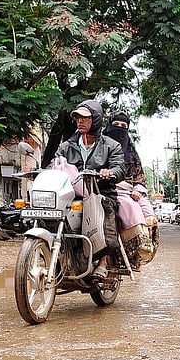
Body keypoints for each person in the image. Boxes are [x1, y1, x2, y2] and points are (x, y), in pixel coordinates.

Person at [54, 100, 126, 280]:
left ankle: (103, 262)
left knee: (104, 210)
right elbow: (55, 164)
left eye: (85, 118)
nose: (80, 121)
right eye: (78, 117)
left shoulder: (111, 145)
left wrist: (109, 172)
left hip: (100, 192)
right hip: (71, 193)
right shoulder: (66, 146)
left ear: (96, 119)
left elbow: (119, 168)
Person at [103, 112, 145, 185]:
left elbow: (139, 180)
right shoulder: (97, 149)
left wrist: (135, 189)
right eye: (115, 124)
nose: (119, 128)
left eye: (123, 126)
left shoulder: (133, 155)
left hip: (128, 189)